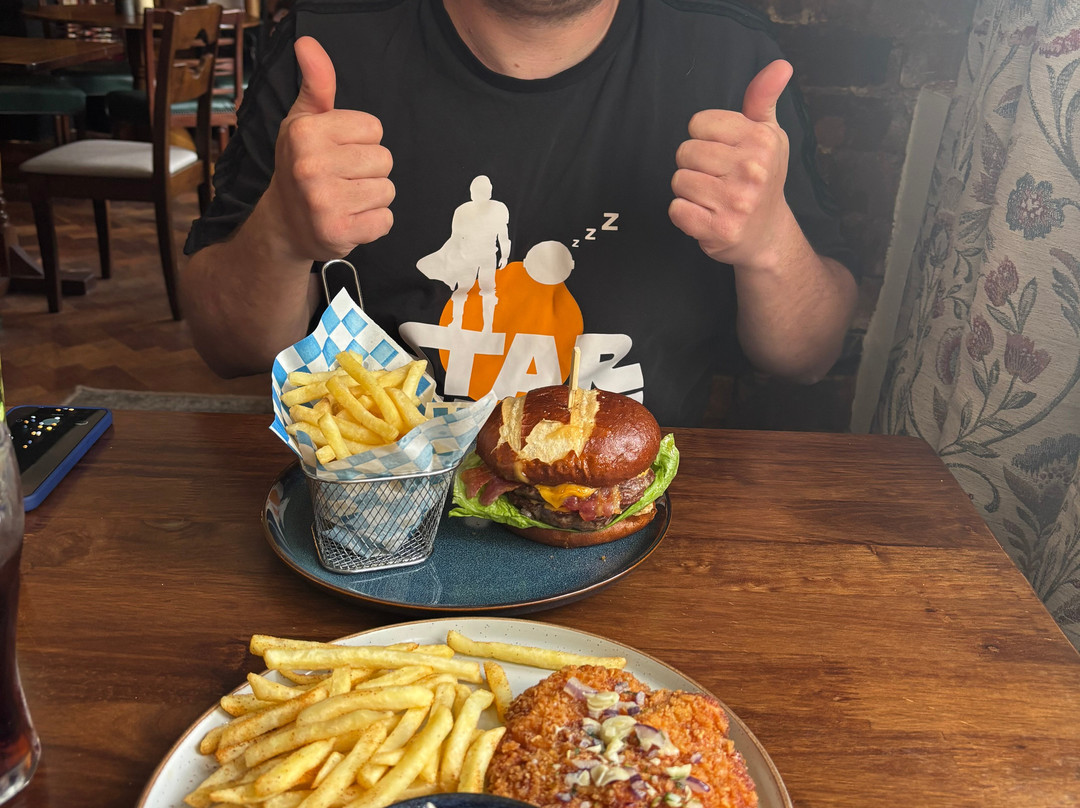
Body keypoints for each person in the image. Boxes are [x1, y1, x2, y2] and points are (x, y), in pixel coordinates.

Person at [181, 0, 859, 427]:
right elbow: (226, 348)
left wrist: (769, 244)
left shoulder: (733, 55)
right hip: (378, 511)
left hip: (631, 518)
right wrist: (281, 236)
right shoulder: (328, 41)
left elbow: (808, 355)